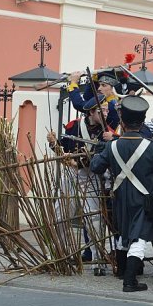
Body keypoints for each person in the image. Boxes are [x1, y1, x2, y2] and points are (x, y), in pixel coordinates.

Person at [90, 96, 153, 292]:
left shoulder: (113, 146)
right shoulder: (150, 147)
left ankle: (122, 271)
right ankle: (129, 280)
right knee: (139, 237)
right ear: (142, 122)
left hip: (120, 198)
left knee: (125, 234)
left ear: (122, 122)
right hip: (143, 198)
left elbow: (95, 166)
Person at [47, 87, 110, 268]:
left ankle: (98, 257)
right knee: (60, 213)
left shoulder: (106, 132)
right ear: (91, 112)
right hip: (71, 174)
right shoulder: (74, 125)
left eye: (106, 110)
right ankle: (60, 251)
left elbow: (100, 158)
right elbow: (63, 147)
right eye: (102, 111)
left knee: (94, 217)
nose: (106, 113)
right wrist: (53, 143)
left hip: (91, 176)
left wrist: (78, 163)